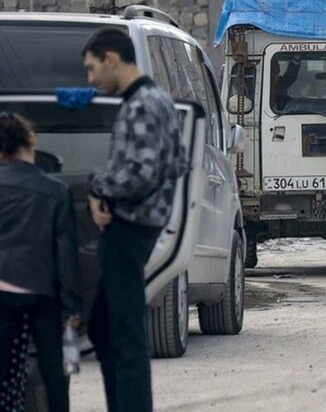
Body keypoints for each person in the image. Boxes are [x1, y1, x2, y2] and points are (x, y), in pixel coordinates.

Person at [82, 28, 187, 412]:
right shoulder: (158, 100)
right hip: (141, 225)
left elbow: (141, 173)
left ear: (111, 58)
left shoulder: (141, 104)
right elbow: (176, 163)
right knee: (104, 329)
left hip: (129, 229)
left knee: (125, 335)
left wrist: (98, 186)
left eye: (92, 69)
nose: (91, 80)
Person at [0, 113, 80, 412]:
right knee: (52, 372)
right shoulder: (56, 191)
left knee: (5, 372)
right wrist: (71, 307)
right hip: (42, 294)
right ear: (30, 142)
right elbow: (65, 254)